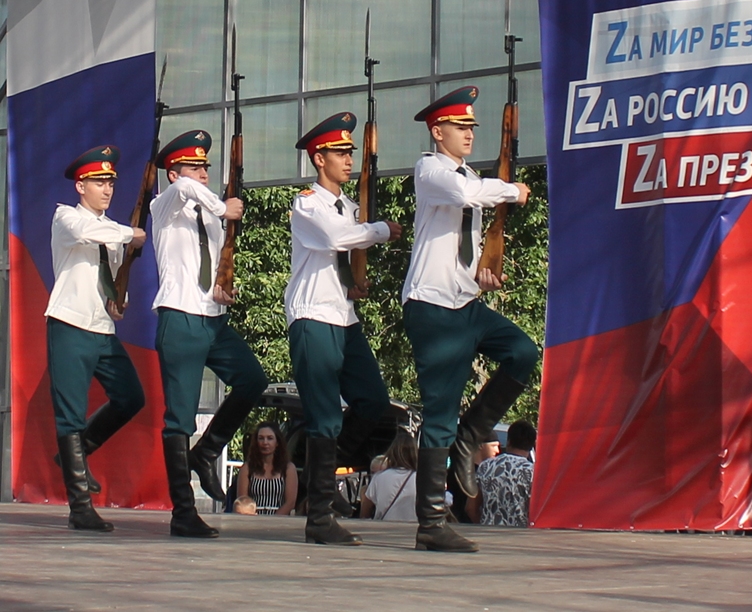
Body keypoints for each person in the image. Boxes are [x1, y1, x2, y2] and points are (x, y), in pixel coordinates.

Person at [402, 86, 539, 552]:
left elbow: (463, 243)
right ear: (437, 131)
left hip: (465, 301)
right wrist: (512, 190)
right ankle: (431, 523)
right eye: (460, 126)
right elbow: (465, 194)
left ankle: (473, 433)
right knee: (439, 413)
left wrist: (482, 273)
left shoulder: (472, 178)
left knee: (522, 352)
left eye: (471, 127)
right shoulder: (431, 169)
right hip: (433, 306)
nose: (469, 134)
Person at [285, 112, 402, 545]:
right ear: (319, 159)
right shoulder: (308, 203)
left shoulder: (351, 208)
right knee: (324, 416)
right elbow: (336, 238)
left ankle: (321, 482)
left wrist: (354, 282)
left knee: (373, 402)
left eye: (351, 152)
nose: (349, 160)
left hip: (343, 316)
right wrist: (380, 230)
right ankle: (319, 517)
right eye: (340, 153)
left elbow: (345, 249)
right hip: (314, 315)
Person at [150, 130, 268, 538]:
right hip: (181, 317)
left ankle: (207, 450)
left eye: (205, 167)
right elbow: (186, 189)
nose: (202, 174)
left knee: (253, 380)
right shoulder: (165, 205)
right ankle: (183, 511)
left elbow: (215, 262)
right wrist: (222, 205)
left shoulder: (213, 218)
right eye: (194, 166)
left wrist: (222, 284)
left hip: (213, 318)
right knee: (179, 419)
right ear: (173, 173)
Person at [45, 145, 147, 532]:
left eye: (110, 183)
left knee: (131, 397)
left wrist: (119, 300)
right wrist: (130, 234)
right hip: (70, 323)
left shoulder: (113, 231)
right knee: (70, 416)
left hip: (102, 328)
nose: (107, 189)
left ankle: (77, 453)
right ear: (80, 186)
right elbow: (86, 232)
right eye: (99, 182)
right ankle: (80, 507)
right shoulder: (67, 217)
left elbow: (111, 279)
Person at [469, 420, 536, 527]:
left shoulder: (486, 466)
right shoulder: (533, 472)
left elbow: (471, 508)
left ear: (509, 441)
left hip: (488, 533)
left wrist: (483, 525)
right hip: (520, 534)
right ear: (532, 445)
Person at [236, 422, 298, 515]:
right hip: (252, 518)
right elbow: (242, 502)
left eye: (270, 438)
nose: (265, 442)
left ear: (277, 442)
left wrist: (273, 520)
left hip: (280, 520)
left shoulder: (288, 468)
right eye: (261, 438)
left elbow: (290, 503)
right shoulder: (247, 468)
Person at [360, 431, 418, 522]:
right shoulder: (421, 479)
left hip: (384, 527)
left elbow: (364, 512)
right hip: (413, 527)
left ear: (392, 452)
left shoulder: (378, 478)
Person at [447, 429, 500, 523]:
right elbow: (470, 509)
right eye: (493, 446)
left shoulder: (489, 472)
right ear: (480, 445)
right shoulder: (461, 472)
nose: (497, 451)